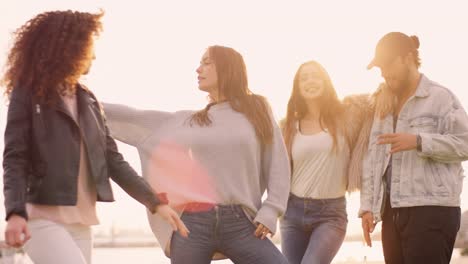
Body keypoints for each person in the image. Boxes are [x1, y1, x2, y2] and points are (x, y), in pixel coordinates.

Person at [1, 10, 187, 264]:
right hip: (41, 218)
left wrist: (155, 202)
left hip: (81, 222)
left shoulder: (89, 101)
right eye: (89, 46)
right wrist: (15, 212)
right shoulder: (28, 94)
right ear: (69, 47)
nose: (94, 54)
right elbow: (15, 157)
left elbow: (113, 161)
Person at [102, 45, 291, 264]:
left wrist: (271, 210)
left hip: (242, 222)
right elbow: (134, 117)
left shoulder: (258, 108)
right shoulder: (191, 121)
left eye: (206, 62)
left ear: (228, 67)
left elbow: (278, 164)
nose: (198, 69)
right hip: (193, 223)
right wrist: (83, 99)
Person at [360, 32, 468, 264]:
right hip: (393, 212)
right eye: (380, 68)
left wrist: (419, 141)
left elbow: (465, 143)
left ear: (408, 57)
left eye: (389, 65)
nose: (385, 73)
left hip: (432, 211)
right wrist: (368, 207)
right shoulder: (384, 104)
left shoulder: (441, 98)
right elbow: (373, 158)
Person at [279, 60, 371, 264]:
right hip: (292, 212)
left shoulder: (346, 116)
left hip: (330, 214)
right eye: (304, 78)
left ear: (326, 81)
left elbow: (374, 101)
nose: (310, 81)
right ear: (297, 87)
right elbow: (274, 170)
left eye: (315, 76)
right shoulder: (287, 126)